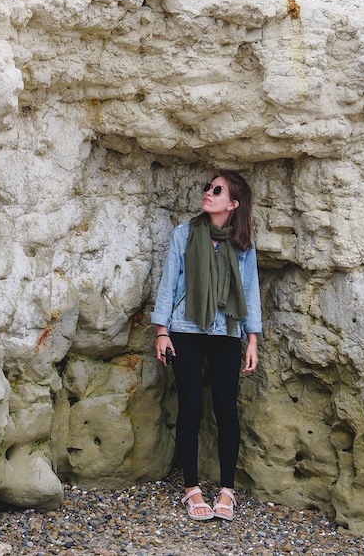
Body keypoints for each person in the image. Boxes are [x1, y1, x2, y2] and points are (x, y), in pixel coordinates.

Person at [151, 171, 262, 522]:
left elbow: (250, 292)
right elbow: (169, 282)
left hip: (227, 331)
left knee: (226, 409)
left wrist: (252, 339)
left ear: (233, 204)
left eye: (217, 190)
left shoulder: (243, 244)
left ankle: (227, 490)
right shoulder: (184, 234)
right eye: (207, 188)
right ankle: (192, 489)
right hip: (185, 328)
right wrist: (161, 331)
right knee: (191, 407)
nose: (207, 193)